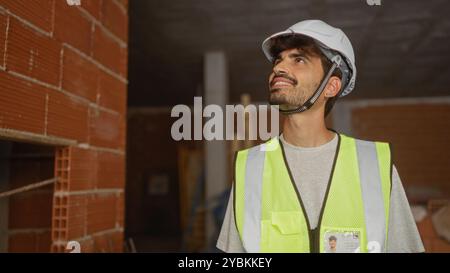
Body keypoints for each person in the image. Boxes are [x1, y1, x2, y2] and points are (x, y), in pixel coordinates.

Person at [216, 20, 425, 253]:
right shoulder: (250, 168)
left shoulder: (374, 165)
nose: (278, 68)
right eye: (278, 59)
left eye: (299, 59)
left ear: (331, 87)